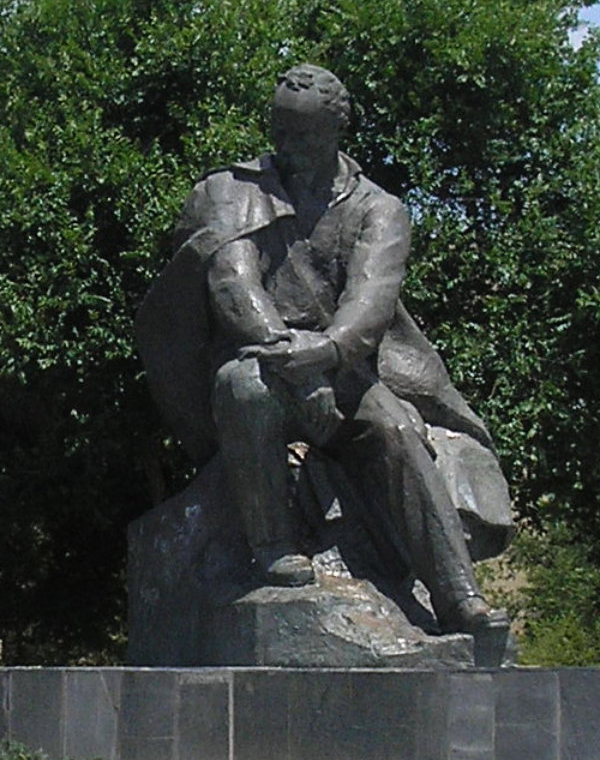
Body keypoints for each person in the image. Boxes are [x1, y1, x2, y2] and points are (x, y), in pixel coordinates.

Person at [137, 64, 513, 635]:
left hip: (342, 366)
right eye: (280, 130)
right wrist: (290, 358)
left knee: (395, 429)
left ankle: (457, 594)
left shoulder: (378, 209)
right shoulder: (229, 190)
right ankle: (273, 545)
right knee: (245, 390)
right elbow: (232, 282)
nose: (289, 146)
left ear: (337, 131)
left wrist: (328, 355)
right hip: (260, 357)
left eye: (304, 134)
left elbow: (372, 300)